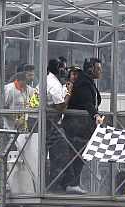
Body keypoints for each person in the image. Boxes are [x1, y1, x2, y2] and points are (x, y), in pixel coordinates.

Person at [61, 58, 105, 193]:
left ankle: (73, 182)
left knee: (80, 153)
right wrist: (96, 115)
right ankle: (70, 183)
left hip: (81, 126)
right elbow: (87, 103)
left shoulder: (86, 81)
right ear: (91, 69)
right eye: (98, 68)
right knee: (77, 153)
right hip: (77, 126)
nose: (100, 71)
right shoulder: (84, 82)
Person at [45, 58, 74, 192]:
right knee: (62, 153)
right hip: (49, 124)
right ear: (57, 69)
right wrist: (69, 91)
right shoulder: (54, 84)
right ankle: (54, 186)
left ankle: (52, 184)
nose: (65, 71)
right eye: (63, 68)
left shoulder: (49, 81)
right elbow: (61, 107)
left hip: (44, 123)